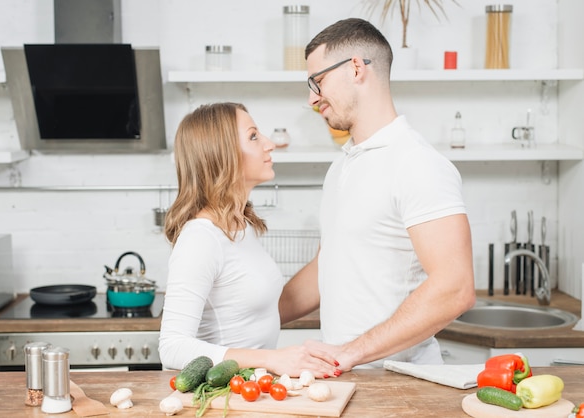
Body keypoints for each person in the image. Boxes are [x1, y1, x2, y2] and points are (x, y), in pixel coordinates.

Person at [279, 18, 476, 369]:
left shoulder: (417, 163)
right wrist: (255, 320)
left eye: (318, 82)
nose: (312, 98)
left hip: (401, 384)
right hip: (346, 376)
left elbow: (455, 287)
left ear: (356, 68)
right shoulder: (343, 165)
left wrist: (351, 352)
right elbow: (328, 265)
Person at [158, 102, 340, 378]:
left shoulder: (241, 226)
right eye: (254, 136)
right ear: (222, 155)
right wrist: (273, 359)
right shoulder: (201, 238)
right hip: (221, 397)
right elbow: (172, 348)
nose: (269, 144)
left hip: (249, 390)